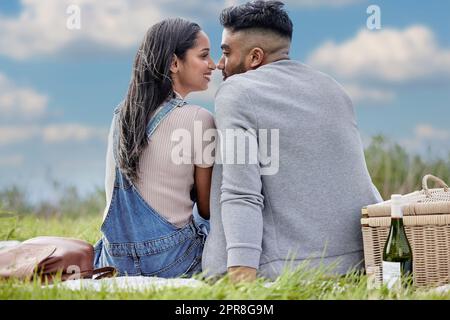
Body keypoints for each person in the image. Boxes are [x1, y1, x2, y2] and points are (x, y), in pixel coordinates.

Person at [202, 0, 383, 283]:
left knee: (227, 158)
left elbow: (241, 193)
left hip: (288, 268)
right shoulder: (333, 87)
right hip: (363, 259)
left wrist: (240, 278)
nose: (220, 64)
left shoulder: (236, 91)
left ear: (255, 57)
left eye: (226, 52)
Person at [93, 18, 216, 277]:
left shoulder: (120, 115)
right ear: (174, 63)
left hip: (116, 259)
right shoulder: (199, 118)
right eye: (204, 56)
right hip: (172, 260)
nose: (213, 64)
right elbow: (206, 209)